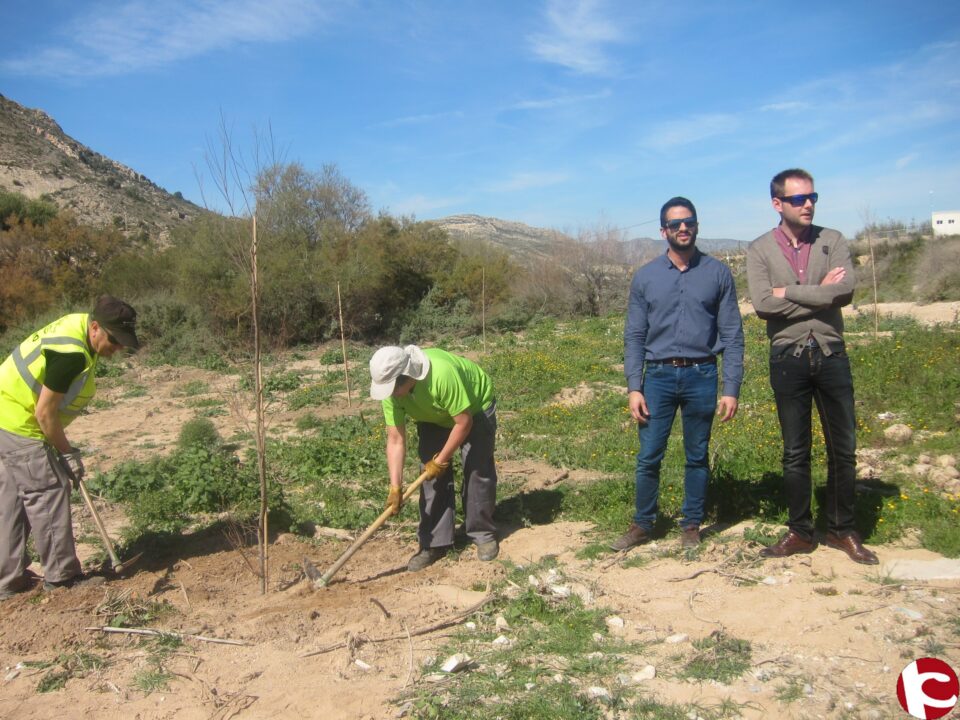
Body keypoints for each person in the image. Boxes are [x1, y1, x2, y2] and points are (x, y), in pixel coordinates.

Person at [746, 168, 878, 565]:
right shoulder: (758, 250)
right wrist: (821, 293)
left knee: (844, 447)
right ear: (777, 204)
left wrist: (791, 292)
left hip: (831, 353)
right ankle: (801, 532)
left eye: (812, 198)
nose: (808, 204)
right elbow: (763, 304)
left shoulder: (832, 240)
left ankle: (841, 529)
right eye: (799, 199)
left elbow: (845, 291)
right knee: (795, 450)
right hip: (788, 357)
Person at [613, 197, 744, 551]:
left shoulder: (718, 273)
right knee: (648, 456)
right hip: (657, 378)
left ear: (697, 225)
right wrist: (633, 387)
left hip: (702, 375)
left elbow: (732, 334)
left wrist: (730, 388)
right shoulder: (645, 277)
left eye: (689, 222)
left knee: (697, 454)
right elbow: (635, 336)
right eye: (675, 224)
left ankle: (691, 525)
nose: (683, 228)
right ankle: (643, 524)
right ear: (663, 231)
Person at [0, 295, 140, 599]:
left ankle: (7, 581)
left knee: (13, 498)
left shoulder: (76, 328)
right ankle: (62, 579)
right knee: (48, 489)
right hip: (17, 421)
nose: (118, 349)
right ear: (95, 328)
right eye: (115, 341)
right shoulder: (71, 354)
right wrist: (67, 453)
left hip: (5, 414)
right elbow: (44, 413)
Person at [370, 345, 498, 571]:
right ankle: (435, 544)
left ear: (407, 376)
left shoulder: (441, 373)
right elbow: (395, 440)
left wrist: (440, 461)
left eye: (394, 388)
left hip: (475, 409)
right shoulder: (392, 394)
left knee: (477, 470)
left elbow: (464, 422)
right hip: (432, 417)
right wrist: (395, 486)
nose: (391, 394)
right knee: (430, 480)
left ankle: (482, 533)